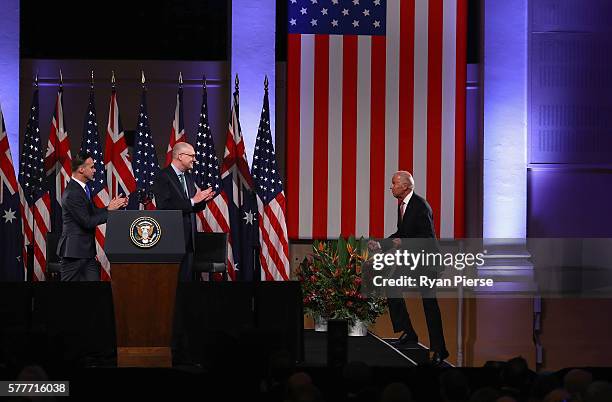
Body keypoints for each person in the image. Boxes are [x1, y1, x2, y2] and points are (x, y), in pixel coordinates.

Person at [368, 170, 449, 366]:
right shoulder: (403, 205)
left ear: (406, 186)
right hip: (413, 260)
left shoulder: (420, 206)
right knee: (392, 286)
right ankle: (409, 332)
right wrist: (381, 244)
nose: (391, 187)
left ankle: (439, 350)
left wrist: (402, 243)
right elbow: (402, 233)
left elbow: (426, 238)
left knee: (429, 305)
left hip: (428, 262)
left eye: (394, 183)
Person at [57, 151, 128, 281]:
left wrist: (111, 207)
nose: (95, 170)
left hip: (87, 253)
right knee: (67, 296)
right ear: (81, 169)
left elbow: (93, 212)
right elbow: (87, 222)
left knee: (94, 293)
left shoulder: (83, 189)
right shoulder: (72, 192)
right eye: (92, 167)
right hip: (74, 253)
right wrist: (110, 211)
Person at [151, 142, 215, 281]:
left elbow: (190, 206)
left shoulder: (188, 177)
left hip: (189, 239)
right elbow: (164, 206)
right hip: (171, 240)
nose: (195, 159)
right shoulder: (162, 176)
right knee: (172, 282)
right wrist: (193, 201)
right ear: (180, 156)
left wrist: (202, 201)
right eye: (192, 156)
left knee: (187, 282)